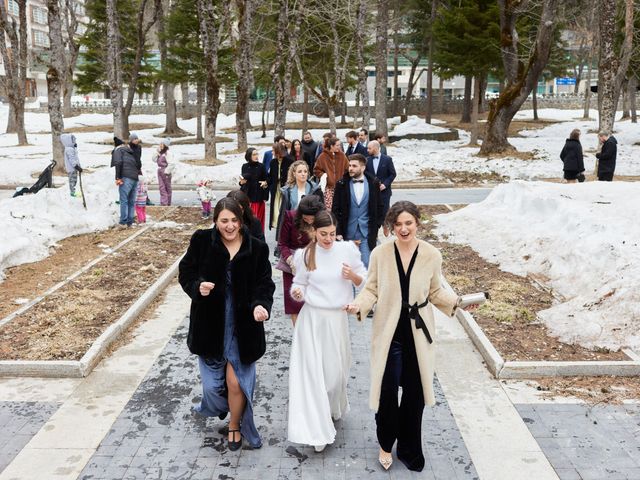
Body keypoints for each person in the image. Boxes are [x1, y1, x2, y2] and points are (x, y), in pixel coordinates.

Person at [345, 201, 479, 472]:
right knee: (387, 390)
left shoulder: (431, 254)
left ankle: (408, 447)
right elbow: (371, 289)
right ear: (391, 227)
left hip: (418, 333)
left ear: (417, 223)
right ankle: (385, 443)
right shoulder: (381, 254)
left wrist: (458, 302)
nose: (404, 229)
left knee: (415, 394)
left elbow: (435, 291)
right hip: (389, 332)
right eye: (398, 224)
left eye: (409, 223)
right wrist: (359, 305)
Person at [178, 197, 275, 451]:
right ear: (215, 221)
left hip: (244, 326)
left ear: (241, 222)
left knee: (235, 382)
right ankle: (227, 408)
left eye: (234, 220)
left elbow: (265, 283)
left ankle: (235, 424)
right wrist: (197, 286)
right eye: (224, 221)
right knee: (212, 388)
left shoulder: (256, 248)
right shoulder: (202, 241)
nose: (229, 226)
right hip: (211, 325)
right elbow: (186, 272)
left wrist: (261, 305)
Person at [287, 210, 366, 453]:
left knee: (334, 377)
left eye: (332, 234)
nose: (328, 239)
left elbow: (364, 280)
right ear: (314, 232)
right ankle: (316, 430)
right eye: (323, 234)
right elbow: (298, 284)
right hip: (311, 321)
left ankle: (332, 407)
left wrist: (352, 276)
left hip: (336, 320)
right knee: (312, 378)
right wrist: (298, 293)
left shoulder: (347, 250)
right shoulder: (305, 255)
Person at [276, 195, 325, 325]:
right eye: (305, 218)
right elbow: (282, 244)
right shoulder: (290, 216)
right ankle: (299, 337)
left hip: (314, 263)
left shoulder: (324, 220)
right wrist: (291, 261)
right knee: (295, 303)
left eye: (312, 218)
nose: (309, 221)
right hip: (292, 265)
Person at [332, 154, 384, 268]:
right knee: (347, 266)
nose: (350, 168)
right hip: (347, 232)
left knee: (366, 265)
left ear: (363, 167)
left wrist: (377, 225)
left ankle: (364, 286)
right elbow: (335, 210)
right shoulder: (341, 184)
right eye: (349, 165)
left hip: (366, 232)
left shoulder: (373, 183)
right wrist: (338, 231)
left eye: (354, 166)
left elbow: (380, 206)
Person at [366, 140, 397, 235]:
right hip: (372, 191)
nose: (367, 150)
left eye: (369, 148)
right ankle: (374, 230)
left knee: (384, 211)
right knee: (373, 211)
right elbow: (365, 173)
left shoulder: (387, 159)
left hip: (384, 191)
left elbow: (393, 174)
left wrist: (385, 184)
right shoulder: (367, 160)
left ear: (375, 148)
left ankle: (385, 225)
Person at [113, 137, 142, 227]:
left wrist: (118, 177)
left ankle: (123, 222)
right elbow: (138, 164)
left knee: (124, 200)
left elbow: (118, 163)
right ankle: (130, 221)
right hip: (135, 178)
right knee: (131, 201)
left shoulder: (118, 150)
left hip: (126, 177)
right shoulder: (129, 151)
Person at [314, 137, 349, 210]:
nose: (339, 147)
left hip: (341, 187)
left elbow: (347, 169)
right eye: (337, 145)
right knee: (328, 209)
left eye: (340, 145)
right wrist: (324, 176)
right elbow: (316, 170)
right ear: (331, 146)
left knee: (340, 208)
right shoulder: (322, 156)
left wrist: (343, 179)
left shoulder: (342, 155)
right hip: (328, 188)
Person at [239, 147, 269, 230]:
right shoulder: (245, 166)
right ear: (249, 156)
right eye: (254, 154)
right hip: (249, 198)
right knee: (249, 221)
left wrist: (265, 183)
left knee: (259, 221)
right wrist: (241, 182)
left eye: (257, 154)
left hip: (259, 197)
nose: (256, 156)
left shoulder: (261, 166)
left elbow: (267, 179)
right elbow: (243, 181)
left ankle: (259, 239)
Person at [268, 144, 293, 232]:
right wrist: (267, 182)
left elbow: (292, 176)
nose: (272, 152)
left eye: (273, 150)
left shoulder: (289, 161)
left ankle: (283, 226)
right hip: (276, 189)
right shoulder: (272, 162)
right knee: (276, 210)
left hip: (286, 189)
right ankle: (278, 225)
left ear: (278, 151)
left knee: (284, 209)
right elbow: (270, 176)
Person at [152, 138, 173, 205]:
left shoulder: (168, 153)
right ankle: (163, 202)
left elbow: (172, 164)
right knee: (161, 187)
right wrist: (156, 152)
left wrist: (167, 171)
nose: (160, 145)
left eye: (162, 144)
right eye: (160, 144)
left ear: (165, 145)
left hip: (165, 171)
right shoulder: (160, 153)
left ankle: (167, 202)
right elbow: (154, 159)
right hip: (160, 171)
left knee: (167, 187)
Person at [60, 133, 82, 197]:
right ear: (69, 141)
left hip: (73, 168)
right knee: (72, 180)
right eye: (73, 141)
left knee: (74, 180)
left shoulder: (70, 148)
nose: (74, 142)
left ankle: (73, 192)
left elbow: (75, 157)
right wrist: (76, 166)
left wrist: (74, 147)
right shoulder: (69, 149)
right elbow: (72, 159)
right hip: (72, 168)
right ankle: (73, 193)